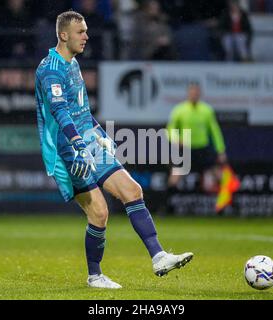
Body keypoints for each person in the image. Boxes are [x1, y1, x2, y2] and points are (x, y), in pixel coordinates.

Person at [34, 10, 193, 289]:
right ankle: (95, 275)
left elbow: (81, 110)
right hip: (66, 149)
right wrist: (78, 143)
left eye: (85, 31)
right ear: (63, 34)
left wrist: (99, 134)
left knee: (132, 191)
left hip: (87, 141)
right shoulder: (50, 69)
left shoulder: (73, 64)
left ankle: (159, 257)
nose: (86, 36)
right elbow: (59, 111)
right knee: (99, 213)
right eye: (80, 31)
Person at [166, 82, 235, 213]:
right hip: (185, 150)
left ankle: (226, 206)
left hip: (203, 149)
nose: (194, 94)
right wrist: (176, 139)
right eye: (192, 92)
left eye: (196, 92)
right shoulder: (179, 110)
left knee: (220, 176)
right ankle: (166, 208)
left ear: (200, 94)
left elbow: (215, 131)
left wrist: (221, 150)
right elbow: (170, 129)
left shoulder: (207, 110)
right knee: (174, 177)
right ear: (188, 94)